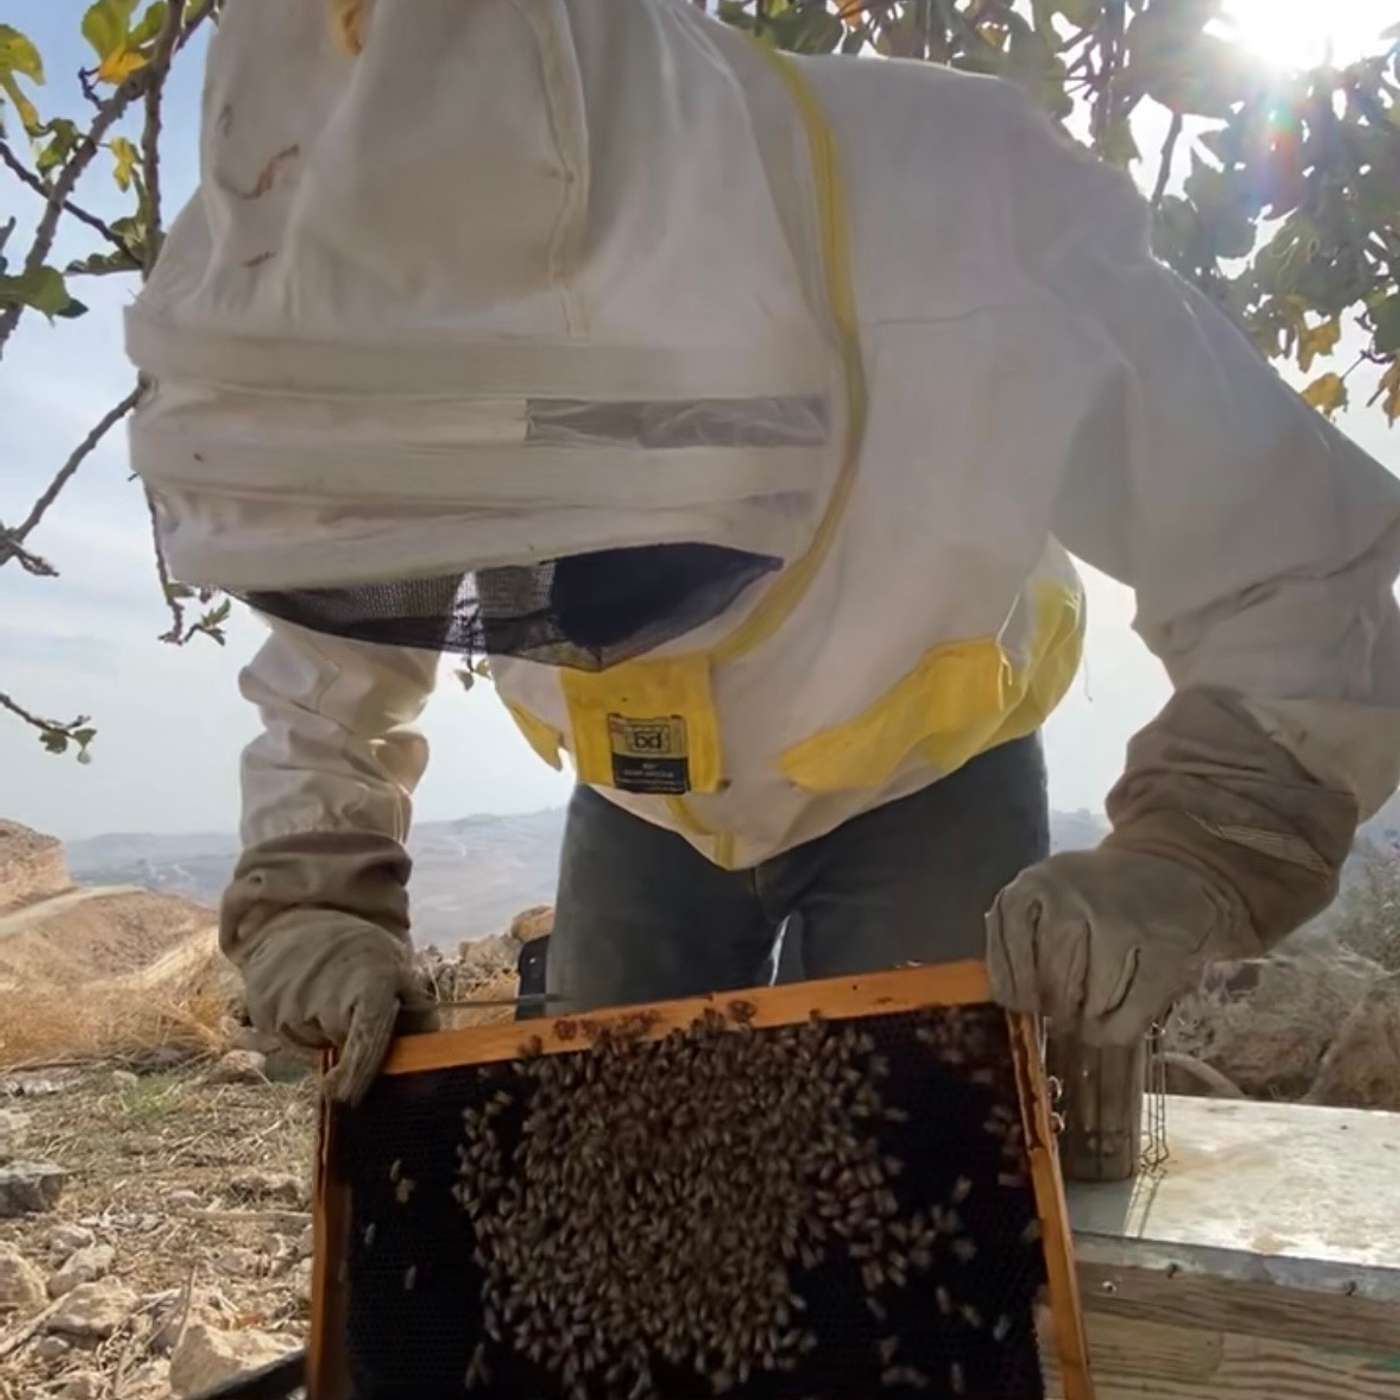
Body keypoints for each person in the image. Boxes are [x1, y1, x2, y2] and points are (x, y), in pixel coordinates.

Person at [126, 0, 1400, 1104]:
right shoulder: (369, 315)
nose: (532, 594)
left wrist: (1197, 845)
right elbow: (341, 618)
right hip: (637, 809)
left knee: (922, 1142)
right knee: (621, 1147)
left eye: (563, 534)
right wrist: (314, 893)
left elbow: (1289, 556)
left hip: (927, 776)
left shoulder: (961, 213)